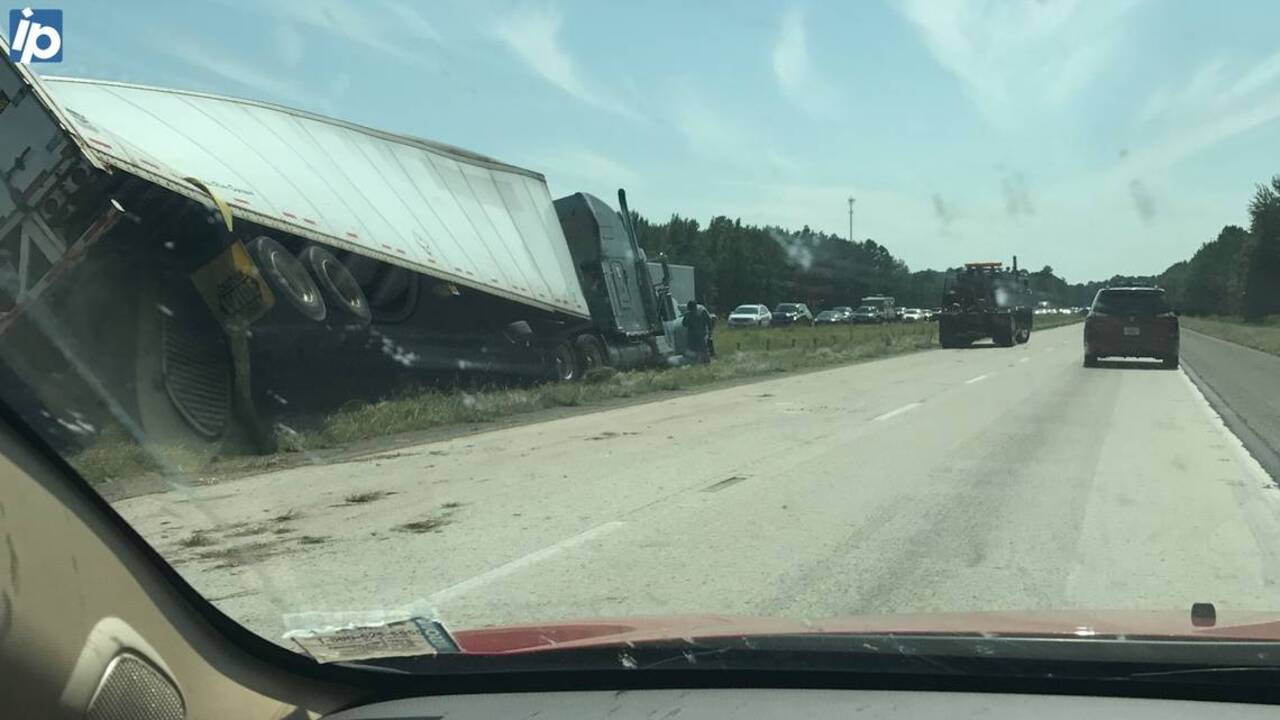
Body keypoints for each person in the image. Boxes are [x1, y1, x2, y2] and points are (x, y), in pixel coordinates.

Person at [682, 300, 713, 364]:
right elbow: (684, 324)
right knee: (692, 350)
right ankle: (695, 363)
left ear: (695, 307)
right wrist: (687, 317)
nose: (692, 311)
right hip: (692, 335)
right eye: (690, 310)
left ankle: (706, 362)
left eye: (692, 309)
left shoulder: (702, 311)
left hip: (701, 334)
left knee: (703, 349)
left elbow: (709, 321)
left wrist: (710, 332)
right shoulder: (688, 313)